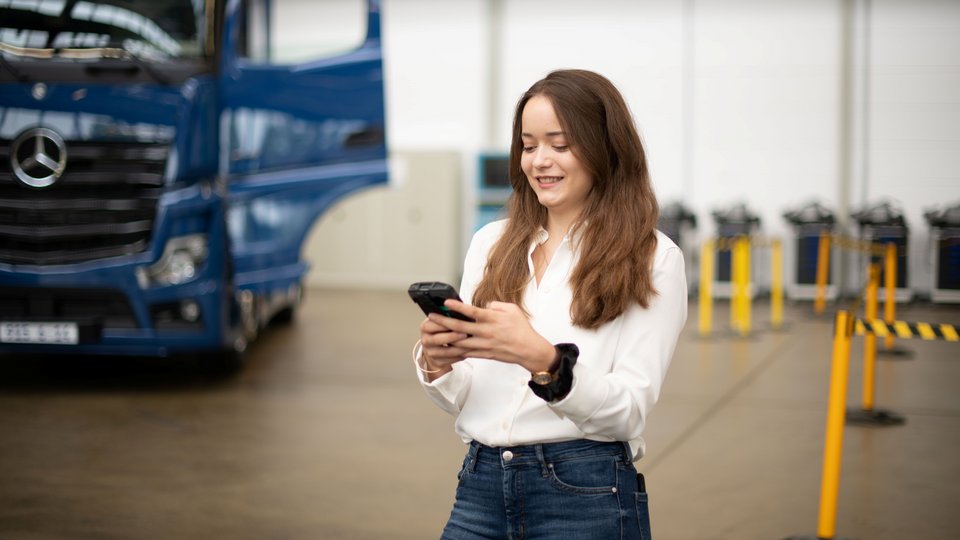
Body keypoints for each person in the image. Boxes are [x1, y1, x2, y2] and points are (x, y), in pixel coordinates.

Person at [413, 69, 687, 540]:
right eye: (528, 144)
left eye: (560, 145)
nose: (540, 161)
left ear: (605, 148)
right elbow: (467, 394)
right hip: (479, 484)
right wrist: (439, 364)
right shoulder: (490, 243)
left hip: (585, 492)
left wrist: (544, 359)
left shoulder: (653, 258)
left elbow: (628, 410)